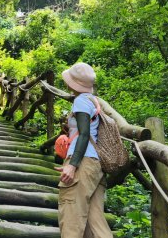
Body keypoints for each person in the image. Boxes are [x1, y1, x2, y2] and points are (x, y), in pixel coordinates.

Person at [54, 63, 112, 238]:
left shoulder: (80, 101)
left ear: (72, 84)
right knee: (95, 222)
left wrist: (72, 165)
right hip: (96, 165)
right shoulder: (93, 100)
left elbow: (84, 134)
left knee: (71, 216)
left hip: (82, 163)